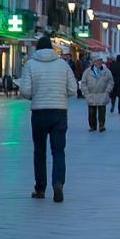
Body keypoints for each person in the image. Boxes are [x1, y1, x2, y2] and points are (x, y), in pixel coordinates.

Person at [18, 35, 75, 202]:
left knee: (39, 151)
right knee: (58, 151)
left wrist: (36, 96)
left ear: (37, 48)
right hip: (59, 112)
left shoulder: (30, 64)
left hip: (39, 112)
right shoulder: (63, 65)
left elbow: (26, 91)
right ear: (51, 48)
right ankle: (58, 183)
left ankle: (40, 189)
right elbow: (72, 89)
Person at [78, 55, 114, 132]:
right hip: (91, 94)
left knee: (102, 112)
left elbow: (111, 82)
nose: (99, 62)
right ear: (93, 62)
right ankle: (92, 126)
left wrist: (107, 91)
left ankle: (101, 126)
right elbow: (83, 82)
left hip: (102, 94)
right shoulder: (87, 71)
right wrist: (86, 92)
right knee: (91, 113)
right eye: (97, 61)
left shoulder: (106, 71)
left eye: (100, 61)